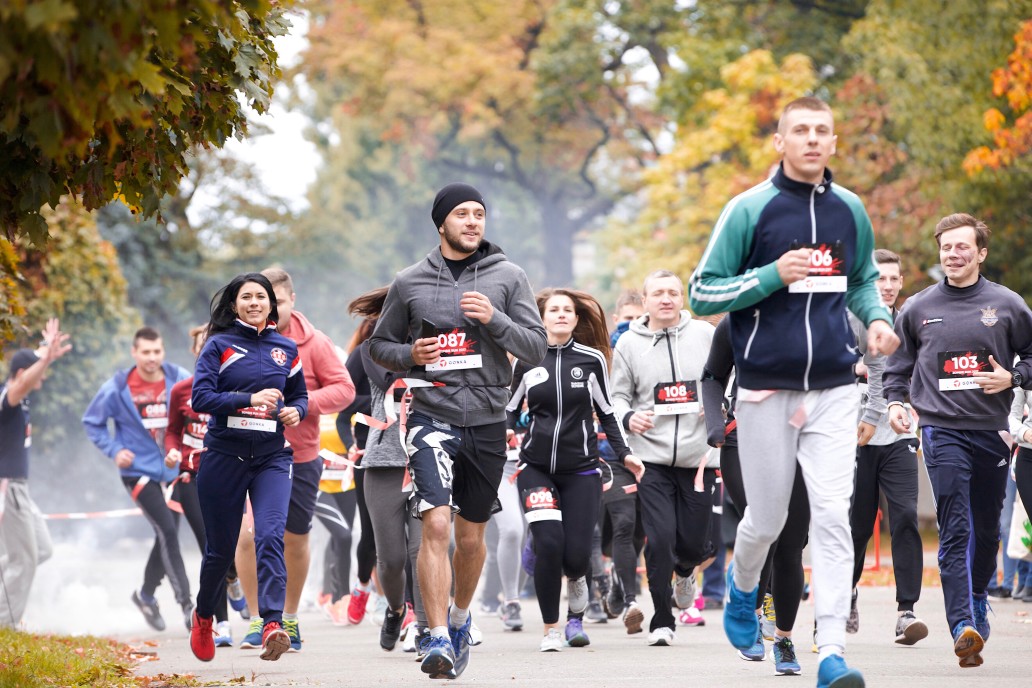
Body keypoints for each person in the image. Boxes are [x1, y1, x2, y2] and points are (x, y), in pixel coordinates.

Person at [689, 96, 899, 688]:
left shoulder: (850, 210)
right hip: (765, 388)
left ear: (834, 142)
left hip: (835, 384)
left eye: (822, 131)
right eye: (799, 130)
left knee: (834, 516)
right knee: (767, 518)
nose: (812, 139)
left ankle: (830, 651)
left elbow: (860, 283)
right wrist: (769, 276)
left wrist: (877, 318)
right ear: (779, 142)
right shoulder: (748, 209)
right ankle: (743, 583)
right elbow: (701, 294)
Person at [369, 182, 546, 679]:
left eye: (479, 214)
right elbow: (378, 346)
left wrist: (495, 320)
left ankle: (462, 619)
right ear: (441, 222)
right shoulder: (410, 282)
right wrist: (411, 356)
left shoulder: (508, 276)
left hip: (488, 419)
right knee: (437, 525)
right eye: (462, 214)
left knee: (470, 538)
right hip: (433, 415)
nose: (473, 222)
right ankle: (437, 636)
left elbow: (534, 348)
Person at [883, 213, 1032, 669]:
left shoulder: (1007, 305)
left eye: (963, 247)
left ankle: (978, 599)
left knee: (986, 530)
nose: (953, 254)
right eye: (946, 247)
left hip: (991, 431)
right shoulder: (918, 307)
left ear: (981, 252)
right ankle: (961, 624)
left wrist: (1013, 376)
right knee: (955, 525)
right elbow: (897, 365)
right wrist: (893, 402)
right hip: (940, 429)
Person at [506, 288, 644, 651]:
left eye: (568, 310)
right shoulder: (526, 360)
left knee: (578, 556)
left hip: (581, 471)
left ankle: (575, 620)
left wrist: (625, 453)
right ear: (542, 318)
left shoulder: (591, 359)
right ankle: (552, 628)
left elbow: (609, 412)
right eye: (554, 310)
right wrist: (505, 431)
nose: (562, 315)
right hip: (536, 468)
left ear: (577, 319)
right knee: (551, 543)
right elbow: (508, 408)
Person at [186, 273, 308, 662]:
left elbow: (300, 395)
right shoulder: (219, 345)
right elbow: (201, 398)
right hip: (224, 457)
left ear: (272, 304)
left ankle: (272, 623)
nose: (254, 302)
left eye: (261, 296)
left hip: (272, 457)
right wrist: (248, 397)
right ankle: (204, 617)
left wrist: (295, 411)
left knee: (270, 535)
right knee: (219, 552)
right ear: (234, 305)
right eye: (246, 297)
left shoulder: (286, 349)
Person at [233, 267, 354, 652]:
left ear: (290, 300)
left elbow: (345, 389)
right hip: (248, 453)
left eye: (277, 302)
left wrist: (303, 405)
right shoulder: (238, 339)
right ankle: (257, 620)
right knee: (250, 537)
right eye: (261, 301)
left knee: (294, 538)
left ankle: (288, 618)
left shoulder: (314, 343)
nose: (267, 309)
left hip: (300, 455)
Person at [611, 270, 717, 647]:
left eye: (674, 292)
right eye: (658, 293)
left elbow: (728, 377)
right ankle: (661, 618)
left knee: (691, 543)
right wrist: (628, 417)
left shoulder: (705, 334)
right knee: (659, 539)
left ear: (682, 298)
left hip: (699, 458)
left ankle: (686, 571)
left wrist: (716, 404)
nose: (667, 299)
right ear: (645, 301)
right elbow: (618, 396)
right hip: (650, 458)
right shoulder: (627, 343)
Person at [701, 315, 810, 675]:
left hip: (800, 439)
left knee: (791, 542)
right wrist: (716, 425)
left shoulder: (816, 317)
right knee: (764, 530)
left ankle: (783, 639)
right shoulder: (735, 323)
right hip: (742, 437)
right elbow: (713, 376)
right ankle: (748, 609)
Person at [83, 326, 194, 632]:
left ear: (163, 351)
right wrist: (114, 449)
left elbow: (197, 412)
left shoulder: (179, 377)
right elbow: (92, 423)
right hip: (138, 472)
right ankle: (188, 606)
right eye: (145, 352)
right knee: (169, 533)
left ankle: (145, 596)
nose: (152, 358)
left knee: (167, 534)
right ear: (135, 353)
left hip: (174, 467)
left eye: (156, 351)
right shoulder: (117, 387)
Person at [846, 249, 927, 645]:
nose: (890, 286)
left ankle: (905, 612)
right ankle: (846, 595)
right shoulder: (848, 318)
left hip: (899, 437)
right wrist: (854, 368)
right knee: (856, 527)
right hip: (855, 438)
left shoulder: (911, 321)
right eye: (882, 279)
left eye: (895, 279)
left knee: (906, 518)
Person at [164, 325, 234, 647]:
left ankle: (234, 576)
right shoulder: (181, 390)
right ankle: (221, 622)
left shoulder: (238, 386)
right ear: (196, 352)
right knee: (211, 543)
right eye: (203, 344)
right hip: (191, 475)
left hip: (231, 471)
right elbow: (172, 431)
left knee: (234, 544)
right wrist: (172, 451)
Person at [0, 319, 71, 627]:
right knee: (23, 559)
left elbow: (27, 377)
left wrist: (47, 354)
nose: (42, 379)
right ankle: (5, 624)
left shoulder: (21, 398)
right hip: (8, 487)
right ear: (22, 374)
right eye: (37, 373)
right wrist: (42, 358)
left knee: (41, 549)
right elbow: (20, 383)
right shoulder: (8, 396)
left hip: (21, 489)